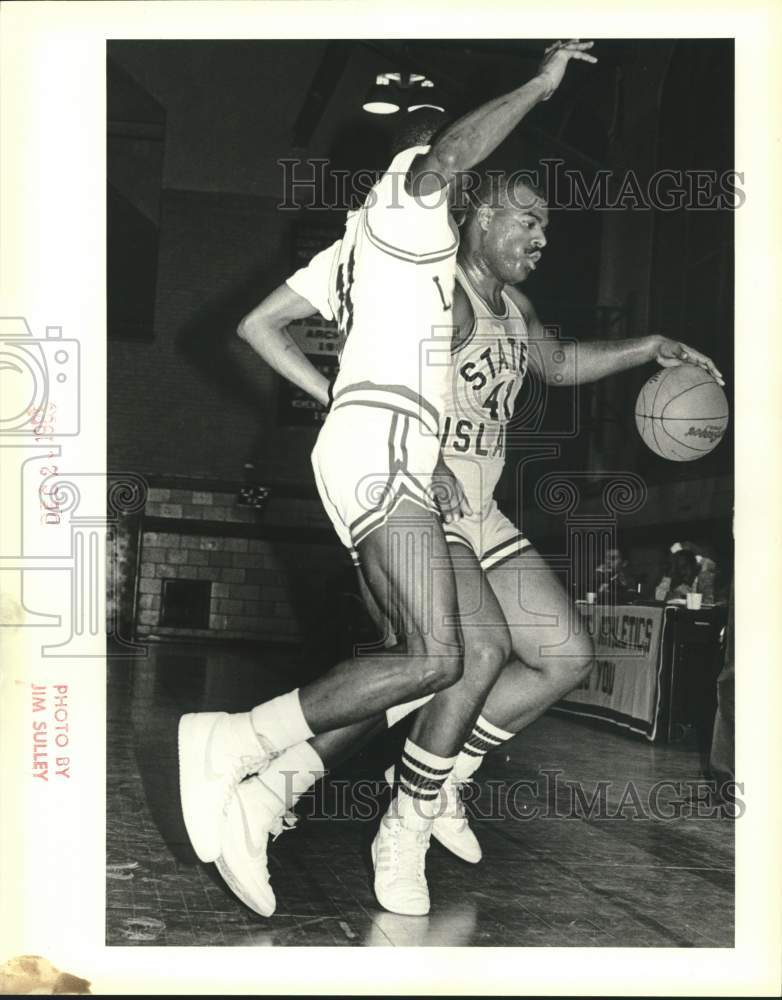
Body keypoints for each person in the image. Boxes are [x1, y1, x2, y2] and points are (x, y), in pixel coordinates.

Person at [218, 139, 725, 917]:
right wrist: (386, 430)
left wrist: (647, 347)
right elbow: (340, 366)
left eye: (546, 227)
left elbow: (554, 364)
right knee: (454, 661)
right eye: (528, 219)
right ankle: (399, 825)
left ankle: (436, 773)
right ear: (479, 215)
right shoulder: (429, 289)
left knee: (562, 655)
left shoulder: (512, 309)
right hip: (416, 499)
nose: (541, 238)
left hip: (481, 512)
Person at [178, 40, 601, 918]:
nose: (447, 163)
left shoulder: (354, 251)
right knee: (434, 655)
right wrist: (542, 83)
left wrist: (333, 390)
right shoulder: (409, 204)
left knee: (466, 652)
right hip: (380, 451)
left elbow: (259, 325)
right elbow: (449, 154)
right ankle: (238, 743)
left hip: (388, 444)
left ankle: (270, 791)